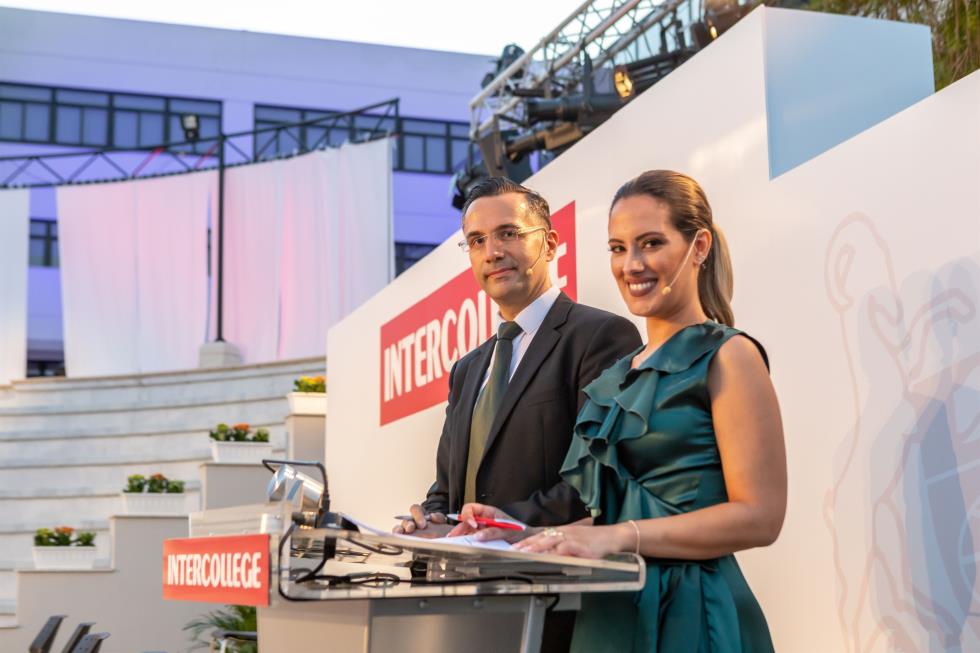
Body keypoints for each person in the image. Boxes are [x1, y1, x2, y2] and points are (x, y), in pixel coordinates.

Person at [453, 170, 787, 652]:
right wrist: (524, 533)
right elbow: (615, 516)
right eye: (618, 248)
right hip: (609, 614)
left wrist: (618, 537)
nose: (632, 264)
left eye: (651, 243)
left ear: (699, 247)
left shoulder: (730, 355)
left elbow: (761, 517)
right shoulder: (618, 376)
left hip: (692, 615)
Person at [396, 177, 641, 653]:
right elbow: (448, 488)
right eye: (477, 241)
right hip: (469, 605)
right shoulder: (467, 369)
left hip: (559, 604)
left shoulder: (600, 337)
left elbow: (598, 484)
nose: (492, 252)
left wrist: (504, 525)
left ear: (549, 243)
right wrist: (431, 521)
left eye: (508, 233)